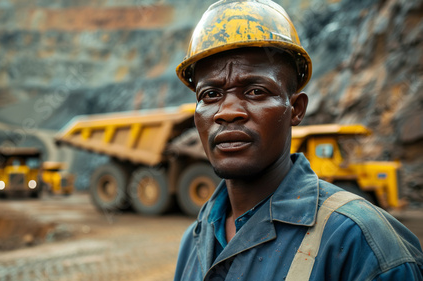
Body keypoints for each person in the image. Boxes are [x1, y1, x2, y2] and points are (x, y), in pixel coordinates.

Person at [173, 0, 423, 280]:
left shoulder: (363, 246)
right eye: (210, 95)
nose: (228, 112)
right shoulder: (195, 240)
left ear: (296, 109)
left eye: (256, 91)